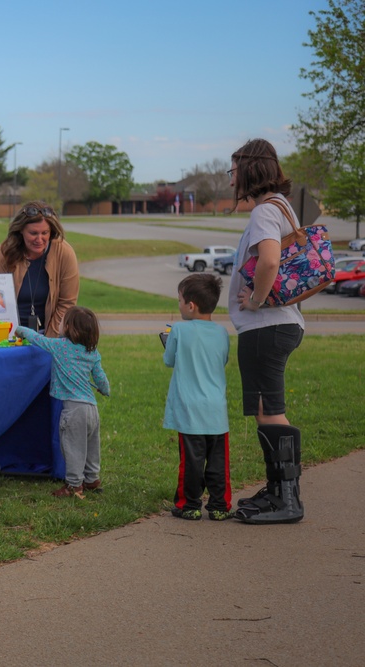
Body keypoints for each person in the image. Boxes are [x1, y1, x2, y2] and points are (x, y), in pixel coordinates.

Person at [227, 138, 305, 524]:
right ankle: (279, 489)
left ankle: (286, 499)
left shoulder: (262, 212)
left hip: (266, 326)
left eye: (234, 171)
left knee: (268, 411)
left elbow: (270, 261)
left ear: (250, 170)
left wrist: (256, 300)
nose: (231, 181)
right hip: (279, 326)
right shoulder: (281, 207)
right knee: (268, 409)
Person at [15, 306, 110, 497]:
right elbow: (101, 379)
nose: (58, 324)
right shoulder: (92, 353)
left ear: (68, 327)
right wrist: (105, 390)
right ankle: (92, 479)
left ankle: (74, 485)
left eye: (61, 321)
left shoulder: (60, 347)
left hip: (73, 410)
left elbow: (37, 339)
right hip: (92, 409)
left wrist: (20, 329)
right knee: (92, 446)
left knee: (73, 447)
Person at [162, 273, 232, 521]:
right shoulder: (223, 333)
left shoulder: (178, 329)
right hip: (216, 409)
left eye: (180, 300)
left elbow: (169, 360)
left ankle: (189, 505)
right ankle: (219, 506)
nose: (179, 305)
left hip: (189, 409)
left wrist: (168, 342)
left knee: (191, 462)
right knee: (218, 462)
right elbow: (221, 361)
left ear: (190, 305)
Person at [0, 201, 79, 338]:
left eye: (45, 233)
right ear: (21, 231)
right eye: (33, 233)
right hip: (11, 336)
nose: (39, 239)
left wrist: (47, 342)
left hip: (50, 336)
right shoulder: (4, 254)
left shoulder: (64, 253)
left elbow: (67, 303)